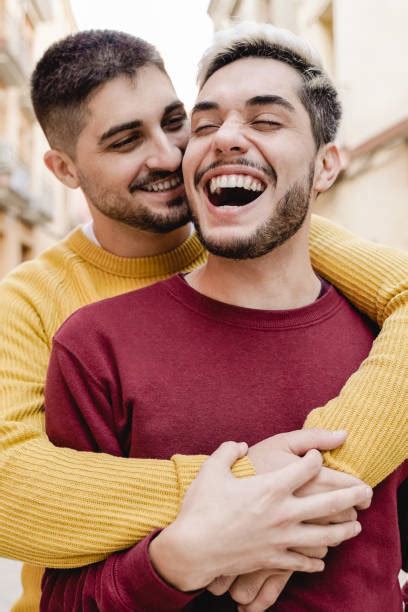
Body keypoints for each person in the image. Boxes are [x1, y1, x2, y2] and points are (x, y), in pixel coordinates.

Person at [0, 28, 406, 612]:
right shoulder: (42, 310)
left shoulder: (269, 238)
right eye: (124, 142)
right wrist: (237, 496)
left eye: (176, 122)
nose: (167, 155)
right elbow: (12, 489)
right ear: (64, 169)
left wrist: (303, 490)